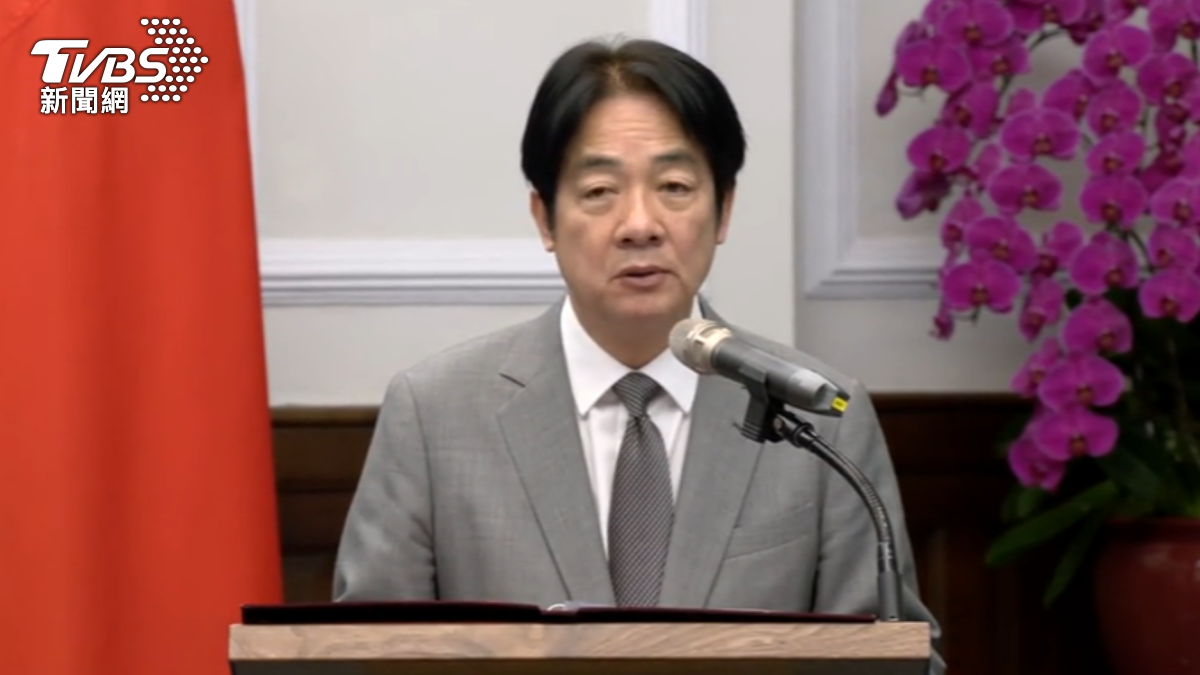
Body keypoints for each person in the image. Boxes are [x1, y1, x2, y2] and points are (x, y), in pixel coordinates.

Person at [333, 36, 944, 672]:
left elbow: (896, 657)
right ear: (544, 217)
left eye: (674, 186)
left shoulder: (819, 413)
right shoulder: (435, 414)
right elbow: (362, 657)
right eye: (600, 190)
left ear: (724, 209)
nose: (640, 224)